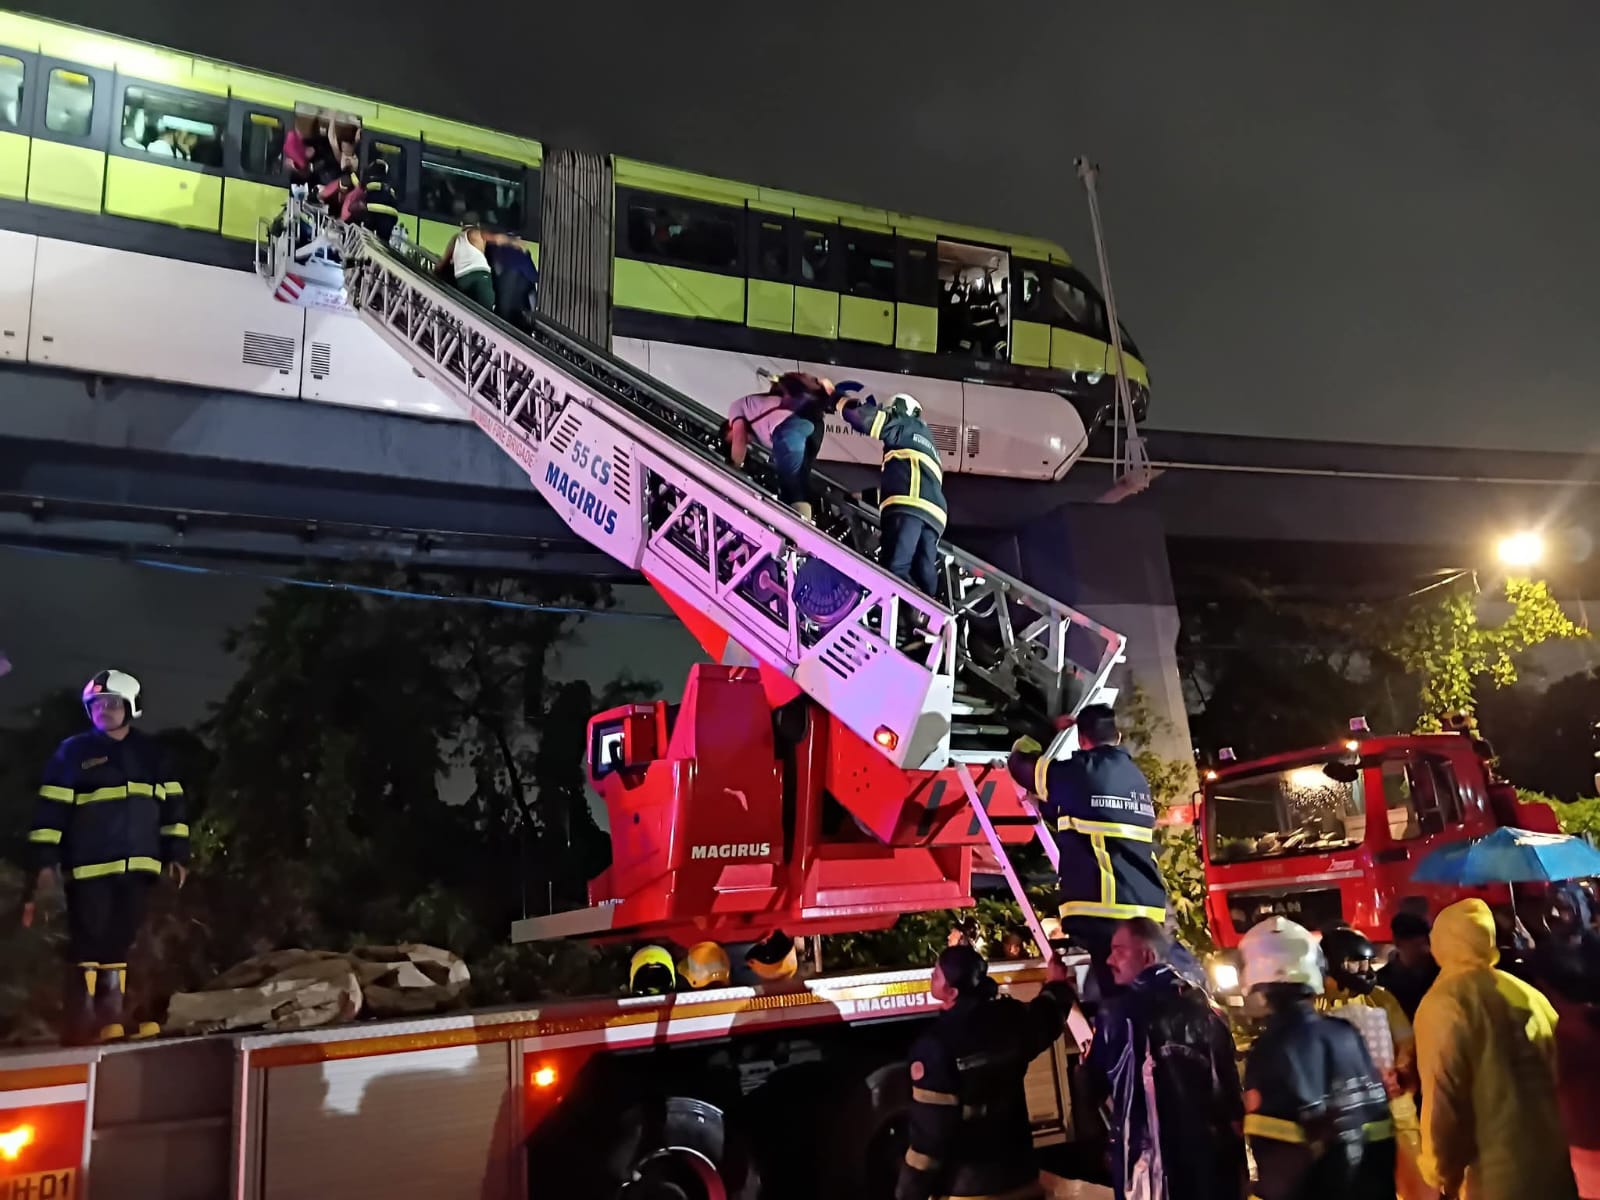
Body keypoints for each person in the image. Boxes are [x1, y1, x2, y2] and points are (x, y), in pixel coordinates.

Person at [24, 671, 188, 1045]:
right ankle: (81, 1025)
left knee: (121, 940)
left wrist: (177, 854)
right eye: (97, 705)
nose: (104, 711)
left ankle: (112, 1020)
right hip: (89, 866)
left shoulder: (153, 754)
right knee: (88, 941)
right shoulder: (73, 752)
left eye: (113, 703)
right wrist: (45, 865)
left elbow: (174, 807)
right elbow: (50, 814)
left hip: (141, 866)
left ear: (131, 707)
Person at [1413, 898, 1577, 1200]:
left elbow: (1443, 1099)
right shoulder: (1528, 995)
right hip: (1552, 1169)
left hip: (1493, 1179)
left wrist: (1440, 1172)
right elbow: (1560, 1074)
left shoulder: (1446, 1004)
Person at [1006, 703, 1165, 1001]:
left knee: (1121, 1001)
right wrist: (1046, 806)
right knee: (1143, 996)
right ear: (1117, 736)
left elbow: (1020, 765)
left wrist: (1044, 732)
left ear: (1081, 739)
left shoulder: (1083, 770)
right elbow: (1090, 816)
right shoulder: (1134, 778)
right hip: (1146, 908)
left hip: (1107, 908)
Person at [896, 944, 1076, 1200]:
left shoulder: (935, 1046)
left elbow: (931, 1136)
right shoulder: (1010, 1018)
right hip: (1021, 1178)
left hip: (971, 1188)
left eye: (936, 975)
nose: (930, 977)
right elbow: (1046, 1019)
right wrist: (1057, 984)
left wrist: (908, 1191)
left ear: (952, 992)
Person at [1085, 918, 1245, 1200]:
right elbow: (1230, 1103)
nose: (1109, 959)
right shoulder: (1209, 1011)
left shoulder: (1116, 1017)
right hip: (1210, 1173)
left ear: (1146, 955)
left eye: (1119, 950)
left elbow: (1093, 1086)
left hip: (1145, 1176)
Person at [1238, 916, 1397, 1200]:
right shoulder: (1344, 1033)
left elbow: (1280, 1162)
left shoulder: (1272, 1050)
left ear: (1258, 985)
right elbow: (1379, 1130)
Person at [1317, 924, 1424, 1199]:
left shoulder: (1382, 999)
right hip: (1344, 1118)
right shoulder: (1317, 1006)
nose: (1365, 969)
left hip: (1395, 1109)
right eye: (1356, 963)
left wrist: (1400, 1074)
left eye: (1367, 962)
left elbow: (1407, 1042)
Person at [839, 391, 946, 598]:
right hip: (933, 515)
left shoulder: (904, 425)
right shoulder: (929, 443)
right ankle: (931, 616)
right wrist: (863, 496)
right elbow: (906, 481)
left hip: (908, 507)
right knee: (923, 570)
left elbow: (864, 418)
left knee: (894, 569)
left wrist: (837, 400)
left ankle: (922, 616)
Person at [724, 371, 835, 522]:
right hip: (815, 426)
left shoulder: (735, 409)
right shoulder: (759, 419)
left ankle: (799, 532)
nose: (746, 443)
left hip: (789, 425)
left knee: (790, 486)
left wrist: (733, 468)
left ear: (728, 427)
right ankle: (805, 525)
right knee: (800, 480)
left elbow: (739, 438)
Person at [436, 224, 525, 311]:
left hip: (462, 278)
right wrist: (512, 241)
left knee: (467, 310)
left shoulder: (455, 239)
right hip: (480, 276)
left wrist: (434, 274)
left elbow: (442, 263)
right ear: (477, 224)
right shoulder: (476, 233)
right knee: (485, 312)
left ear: (462, 225)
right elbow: (497, 239)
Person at [1376, 911, 1439, 1021]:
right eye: (1418, 945)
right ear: (1398, 943)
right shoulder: (1381, 982)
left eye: (1428, 944)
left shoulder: (1440, 974)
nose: (1426, 950)